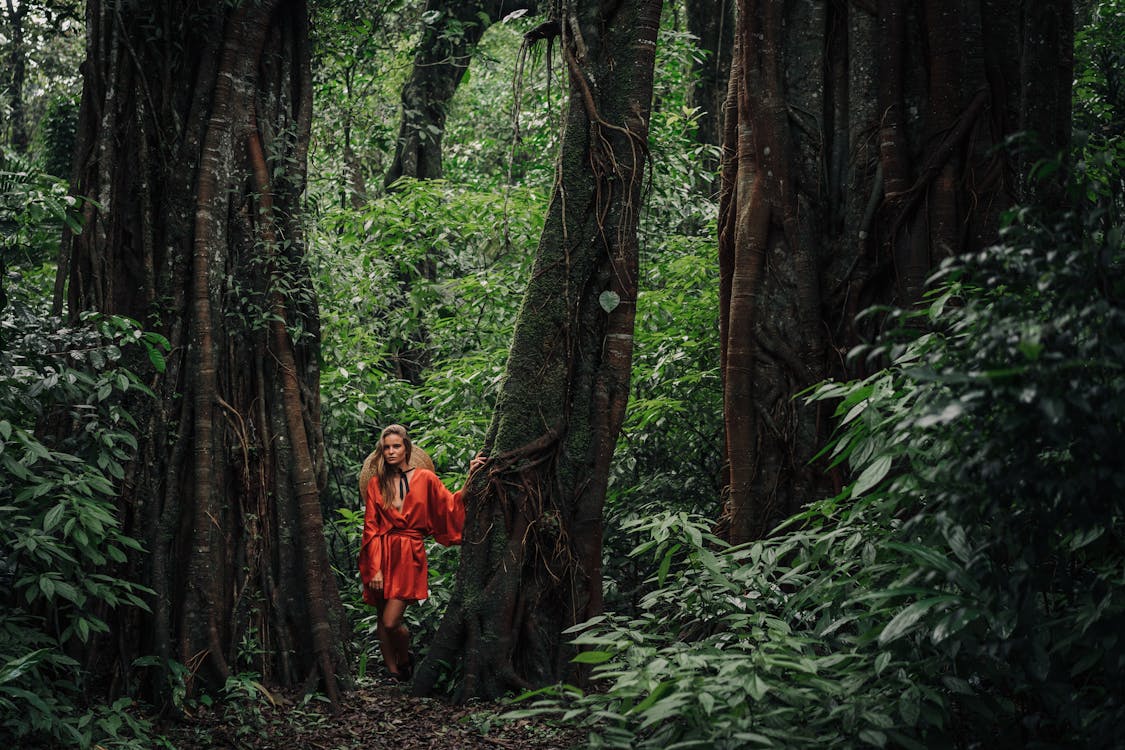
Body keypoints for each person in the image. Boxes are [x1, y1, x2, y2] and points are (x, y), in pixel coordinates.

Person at [358, 424, 487, 682]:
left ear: (406, 448)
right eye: (386, 447)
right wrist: (376, 569)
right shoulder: (376, 484)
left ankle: (405, 659)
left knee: (392, 621)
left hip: (409, 554)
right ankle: (393, 672)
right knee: (381, 618)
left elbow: (451, 504)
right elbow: (370, 528)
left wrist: (471, 476)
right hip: (381, 553)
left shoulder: (425, 479)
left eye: (396, 446)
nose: (391, 451)